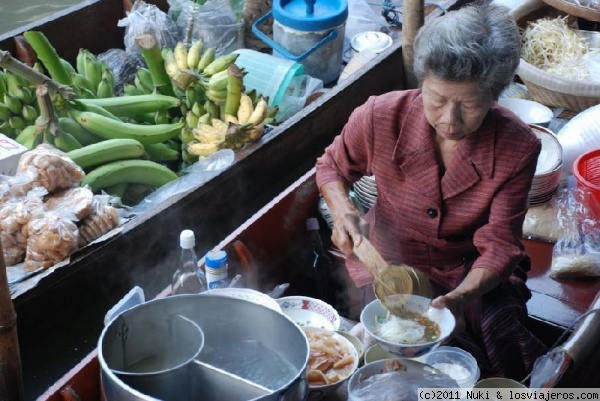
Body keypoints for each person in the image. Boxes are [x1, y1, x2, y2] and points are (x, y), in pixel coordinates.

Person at [315, 1, 547, 380]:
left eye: (468, 105)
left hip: (468, 268)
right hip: (389, 264)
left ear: (495, 95)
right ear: (422, 82)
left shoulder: (517, 148)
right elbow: (331, 166)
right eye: (436, 99)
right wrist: (343, 213)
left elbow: (501, 244)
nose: (448, 120)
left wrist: (461, 296)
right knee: (399, 349)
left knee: (493, 334)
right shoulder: (379, 116)